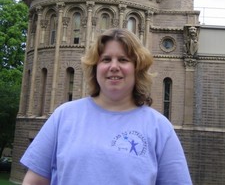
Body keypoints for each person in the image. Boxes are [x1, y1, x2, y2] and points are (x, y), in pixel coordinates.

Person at [20, 28, 193, 185]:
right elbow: (35, 181)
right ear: (95, 68)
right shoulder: (64, 116)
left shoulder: (159, 128)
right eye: (106, 59)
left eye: (123, 60)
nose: (114, 67)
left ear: (137, 68)